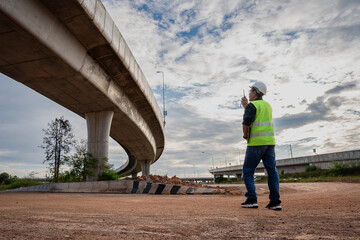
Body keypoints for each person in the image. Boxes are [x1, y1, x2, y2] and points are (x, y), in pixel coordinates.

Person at [240, 81, 281, 210]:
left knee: (248, 171)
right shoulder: (268, 106)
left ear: (256, 92)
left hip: (256, 143)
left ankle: (252, 199)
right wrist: (246, 106)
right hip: (269, 143)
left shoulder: (252, 105)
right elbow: (258, 116)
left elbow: (246, 122)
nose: (249, 93)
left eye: (250, 91)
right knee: (272, 172)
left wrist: (246, 136)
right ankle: (275, 202)